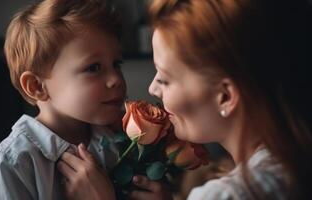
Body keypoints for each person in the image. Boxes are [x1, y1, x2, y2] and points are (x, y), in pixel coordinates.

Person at [57, 0, 312, 199]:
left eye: (165, 78)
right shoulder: (293, 168)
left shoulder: (227, 195)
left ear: (225, 96)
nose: (152, 88)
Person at [0, 0, 126, 199]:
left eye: (116, 64)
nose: (116, 79)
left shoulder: (121, 139)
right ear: (37, 86)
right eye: (94, 68)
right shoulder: (13, 163)